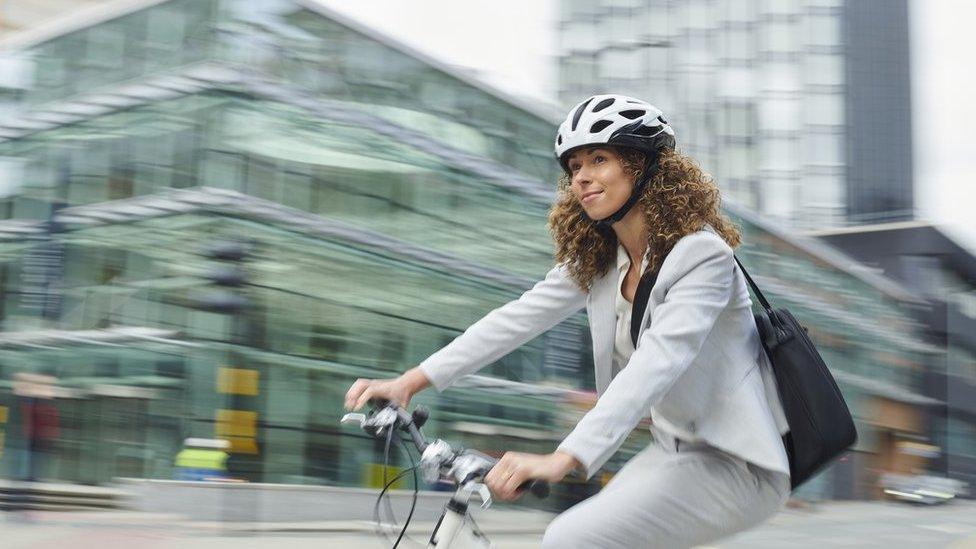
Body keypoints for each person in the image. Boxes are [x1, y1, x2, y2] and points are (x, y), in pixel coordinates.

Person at [344, 94, 792, 548]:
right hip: (673, 452)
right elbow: (516, 319)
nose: (582, 177)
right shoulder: (602, 261)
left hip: (738, 465)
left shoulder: (702, 255)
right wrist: (411, 381)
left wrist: (564, 457)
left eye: (599, 158)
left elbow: (660, 360)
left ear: (644, 166)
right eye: (574, 166)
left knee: (569, 538)